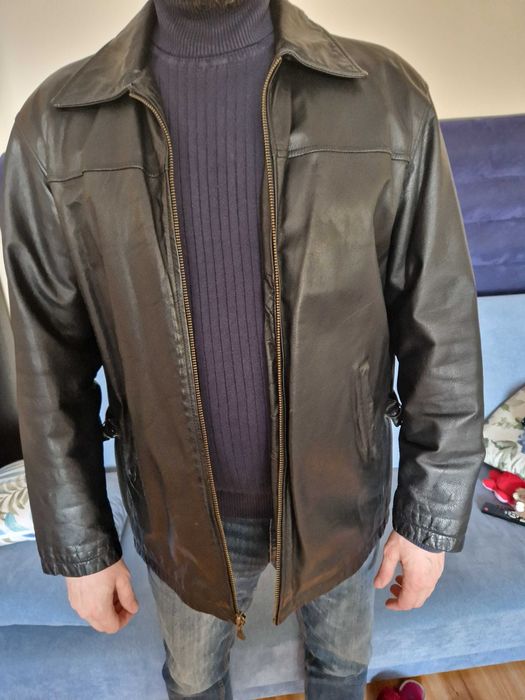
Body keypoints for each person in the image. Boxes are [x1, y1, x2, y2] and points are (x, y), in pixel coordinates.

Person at [0, 0, 484, 698]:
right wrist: (83, 548)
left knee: (341, 669)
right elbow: (49, 365)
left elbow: (439, 319)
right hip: (178, 517)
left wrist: (429, 513)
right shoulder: (54, 128)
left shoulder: (386, 97)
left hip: (342, 499)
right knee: (194, 682)